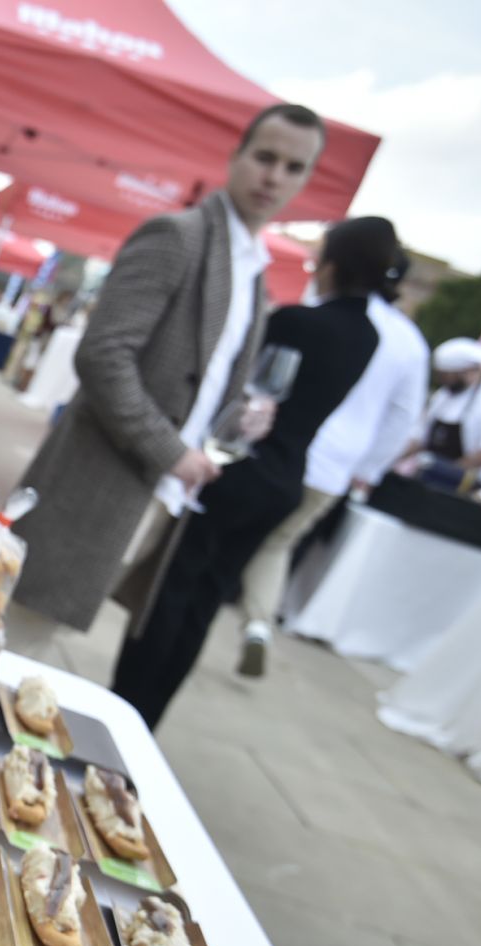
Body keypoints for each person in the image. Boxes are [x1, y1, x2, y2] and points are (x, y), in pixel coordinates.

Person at [11, 104, 326, 633]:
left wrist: (241, 413)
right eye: (265, 157)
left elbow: (208, 376)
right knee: (14, 648)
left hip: (160, 495)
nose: (275, 177)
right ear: (236, 156)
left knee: (37, 657)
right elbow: (103, 353)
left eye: (294, 168)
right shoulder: (177, 236)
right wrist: (171, 450)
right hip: (98, 486)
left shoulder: (254, 271)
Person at [111, 218, 400, 727]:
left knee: (171, 592)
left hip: (239, 472)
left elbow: (248, 396)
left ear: (331, 263)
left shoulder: (298, 322)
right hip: (288, 477)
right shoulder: (368, 336)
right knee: (203, 604)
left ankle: (126, 706)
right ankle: (147, 719)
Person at [235, 250, 429, 676]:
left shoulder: (332, 314)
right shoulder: (408, 341)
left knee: (231, 537)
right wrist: (367, 468)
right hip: (334, 466)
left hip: (280, 447)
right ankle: (257, 623)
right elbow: (403, 417)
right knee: (276, 545)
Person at [397, 337, 481, 489]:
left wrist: (447, 472)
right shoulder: (443, 395)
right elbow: (420, 437)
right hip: (430, 477)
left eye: (446, 376)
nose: (441, 381)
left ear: (466, 372)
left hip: (470, 484)